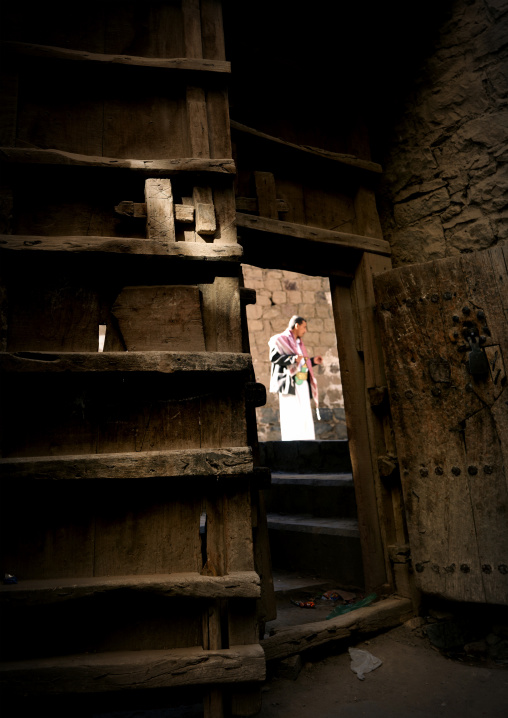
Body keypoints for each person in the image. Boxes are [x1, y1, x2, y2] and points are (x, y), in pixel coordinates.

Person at [268, 315, 323, 441]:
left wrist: (313, 361)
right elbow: (274, 358)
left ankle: (307, 440)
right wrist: (292, 359)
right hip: (289, 383)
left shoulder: (299, 343)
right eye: (304, 327)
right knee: (291, 412)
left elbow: (301, 362)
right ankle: (292, 442)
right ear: (297, 326)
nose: (305, 330)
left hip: (301, 382)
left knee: (304, 411)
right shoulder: (279, 339)